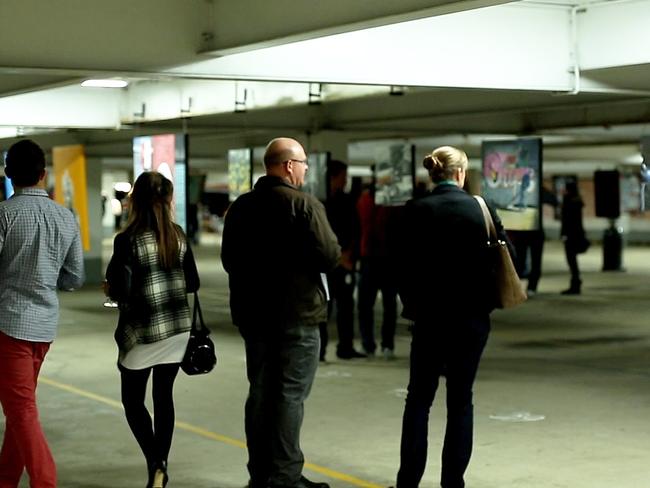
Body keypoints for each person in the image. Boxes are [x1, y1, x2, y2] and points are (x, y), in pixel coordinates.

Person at [221, 137, 340, 488]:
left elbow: (229, 261)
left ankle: (262, 473)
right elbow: (330, 256)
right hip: (298, 316)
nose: (305, 169)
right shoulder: (304, 205)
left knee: (260, 393)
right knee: (289, 396)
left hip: (253, 317)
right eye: (303, 163)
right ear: (289, 166)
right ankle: (284, 477)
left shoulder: (241, 207)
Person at [394, 146, 511, 488]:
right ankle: (452, 482)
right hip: (472, 320)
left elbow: (400, 267)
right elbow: (508, 257)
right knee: (461, 401)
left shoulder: (415, 210)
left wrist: (413, 304)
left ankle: (409, 481)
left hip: (429, 320)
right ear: (461, 173)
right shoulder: (482, 208)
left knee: (419, 399)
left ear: (433, 174)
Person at [105, 171, 199, 488]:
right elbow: (194, 283)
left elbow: (119, 288)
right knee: (163, 398)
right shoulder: (180, 235)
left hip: (142, 331)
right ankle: (160, 466)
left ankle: (156, 463)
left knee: (133, 402)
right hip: (176, 330)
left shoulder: (127, 240)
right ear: (169, 200)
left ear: (135, 200)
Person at [0, 139, 84, 488]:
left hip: (9, 326)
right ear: (43, 174)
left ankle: (44, 481)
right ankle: (5, 479)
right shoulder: (66, 217)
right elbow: (75, 277)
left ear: (8, 174)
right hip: (44, 328)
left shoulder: (4, 214)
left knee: (21, 411)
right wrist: (48, 278)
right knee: (21, 410)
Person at [324, 160, 364, 360]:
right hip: (331, 263)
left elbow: (355, 230)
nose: (345, 181)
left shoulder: (339, 201)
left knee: (344, 307)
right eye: (343, 177)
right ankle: (330, 348)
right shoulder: (326, 202)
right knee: (329, 307)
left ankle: (344, 347)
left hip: (339, 261)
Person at [356, 184, 401, 359]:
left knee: (370, 305)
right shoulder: (390, 203)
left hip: (375, 258)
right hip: (383, 258)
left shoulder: (365, 201)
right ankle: (383, 345)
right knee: (384, 305)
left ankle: (373, 344)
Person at [560, 180, 586, 295]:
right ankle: (576, 282)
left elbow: (566, 220)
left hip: (570, 235)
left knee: (571, 260)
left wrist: (563, 234)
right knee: (573, 260)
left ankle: (575, 283)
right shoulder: (578, 201)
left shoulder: (568, 201)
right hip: (577, 234)